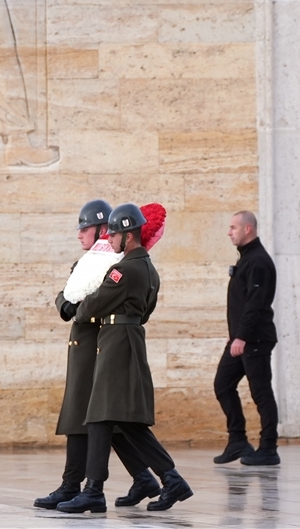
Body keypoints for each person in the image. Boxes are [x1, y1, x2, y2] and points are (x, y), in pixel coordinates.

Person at [58, 204, 192, 514]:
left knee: (101, 417)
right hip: (126, 339)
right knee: (118, 421)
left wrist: (78, 306)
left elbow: (90, 307)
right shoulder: (148, 269)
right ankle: (169, 480)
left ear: (128, 236)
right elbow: (145, 312)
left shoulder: (124, 270)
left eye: (114, 233)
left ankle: (94, 490)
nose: (110, 239)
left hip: (117, 344)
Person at [34, 200, 161, 510]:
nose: (80, 234)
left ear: (104, 230)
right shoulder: (89, 263)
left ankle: (74, 485)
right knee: (99, 421)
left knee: (91, 418)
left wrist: (77, 309)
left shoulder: (113, 265)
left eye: (85, 228)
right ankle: (141, 477)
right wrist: (65, 304)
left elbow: (98, 303)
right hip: (87, 346)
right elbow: (69, 291)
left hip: (98, 346)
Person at [213, 211, 281, 466]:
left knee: (261, 392)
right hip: (240, 340)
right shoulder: (246, 259)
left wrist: (240, 337)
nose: (229, 232)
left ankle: (268, 448)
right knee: (223, 384)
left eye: (233, 227)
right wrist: (236, 338)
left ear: (248, 229)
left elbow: (255, 304)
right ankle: (238, 441)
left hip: (254, 340)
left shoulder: (258, 262)